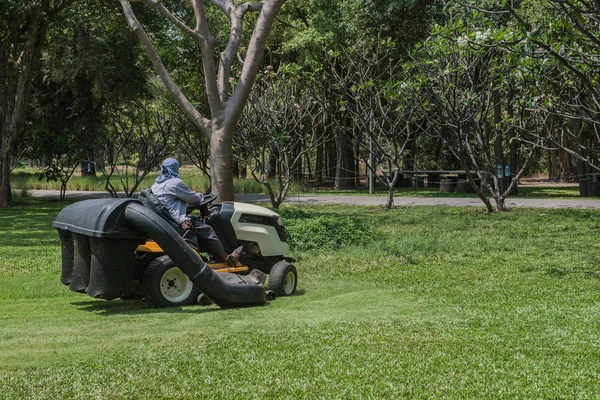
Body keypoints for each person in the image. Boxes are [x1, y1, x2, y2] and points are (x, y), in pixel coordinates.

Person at [151, 158, 242, 267]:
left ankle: (208, 255)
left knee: (199, 224)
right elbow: (194, 198)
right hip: (177, 222)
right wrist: (200, 196)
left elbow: (172, 202)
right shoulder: (174, 183)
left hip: (166, 219)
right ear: (175, 169)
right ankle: (226, 258)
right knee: (207, 230)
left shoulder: (156, 184)